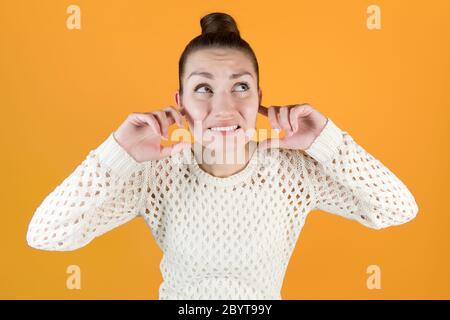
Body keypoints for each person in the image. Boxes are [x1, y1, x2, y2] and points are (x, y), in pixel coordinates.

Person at [26, 12, 419, 300]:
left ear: (260, 98)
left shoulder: (295, 173)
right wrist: (118, 152)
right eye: (203, 89)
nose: (224, 107)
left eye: (241, 86)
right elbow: (47, 235)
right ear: (179, 103)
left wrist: (327, 142)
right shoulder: (154, 175)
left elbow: (397, 208)